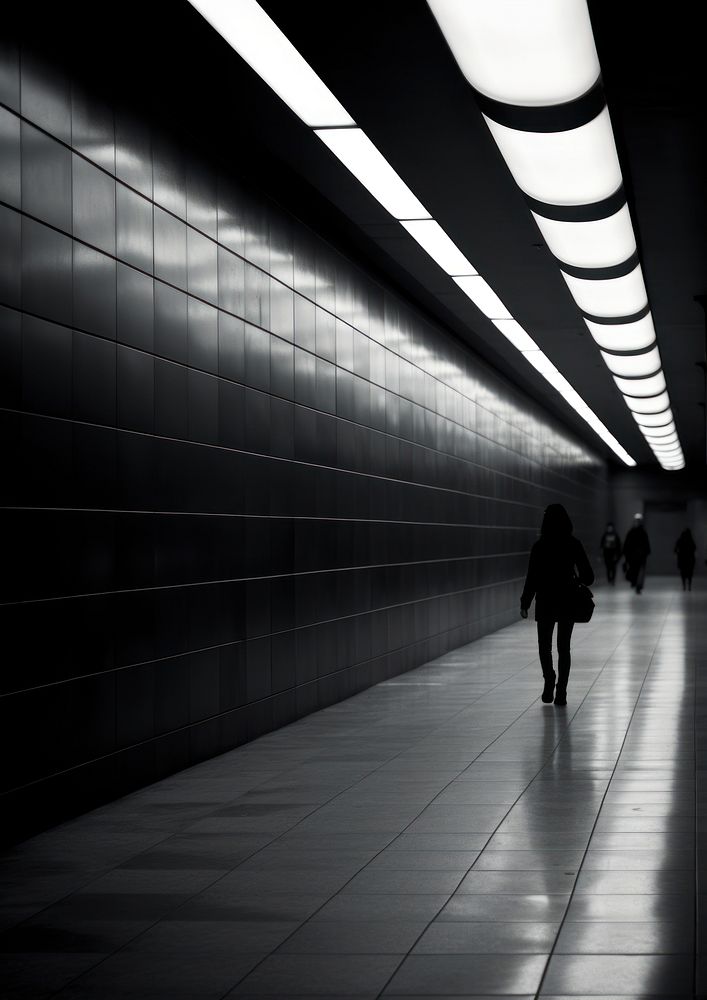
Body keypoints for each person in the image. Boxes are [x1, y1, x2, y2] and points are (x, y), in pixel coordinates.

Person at [520, 504, 594, 707]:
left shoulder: (539, 546)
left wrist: (525, 602)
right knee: (564, 647)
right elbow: (589, 576)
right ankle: (561, 690)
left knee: (544, 646)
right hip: (567, 599)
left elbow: (532, 577)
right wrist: (577, 579)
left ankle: (549, 679)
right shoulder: (573, 544)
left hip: (545, 600)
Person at [623, 513, 651, 594]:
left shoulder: (634, 532)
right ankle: (636, 584)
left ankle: (637, 585)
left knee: (638, 571)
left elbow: (627, 544)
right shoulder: (640, 532)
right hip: (636, 556)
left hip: (637, 556)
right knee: (636, 571)